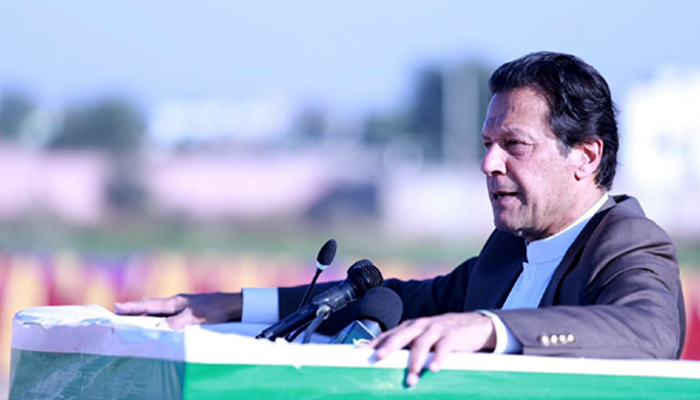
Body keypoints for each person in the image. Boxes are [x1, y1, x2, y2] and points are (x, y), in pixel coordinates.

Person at [115, 52, 685, 387]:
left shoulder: (628, 242)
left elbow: (649, 333)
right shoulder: (506, 252)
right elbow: (398, 301)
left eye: (514, 144)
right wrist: (237, 305)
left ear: (586, 155)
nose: (489, 163)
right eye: (487, 143)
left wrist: (489, 328)